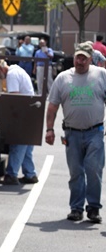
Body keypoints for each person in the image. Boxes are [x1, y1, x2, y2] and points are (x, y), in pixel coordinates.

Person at [45, 41, 106, 223]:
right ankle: (76, 208)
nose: (80, 62)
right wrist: (49, 129)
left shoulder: (101, 75)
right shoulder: (63, 78)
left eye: (84, 59)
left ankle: (93, 208)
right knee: (76, 172)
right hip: (72, 134)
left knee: (94, 170)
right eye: (78, 58)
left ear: (90, 59)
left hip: (95, 132)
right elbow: (52, 107)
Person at [0, 60, 39, 185]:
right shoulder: (17, 71)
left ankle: (11, 174)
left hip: (23, 113)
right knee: (26, 146)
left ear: (1, 69)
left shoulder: (11, 75)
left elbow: (14, 98)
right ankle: (30, 173)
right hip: (29, 111)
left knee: (18, 143)